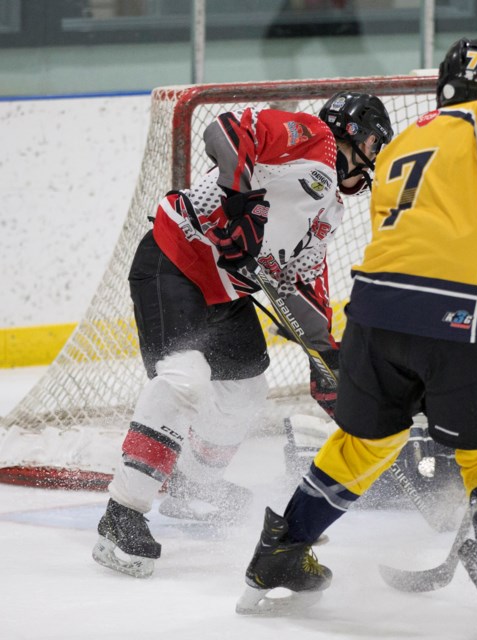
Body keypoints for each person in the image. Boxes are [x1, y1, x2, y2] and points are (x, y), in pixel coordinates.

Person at [237, 37, 477, 639]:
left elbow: (434, 239)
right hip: (455, 319)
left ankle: (279, 554)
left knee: (365, 443)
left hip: (373, 314)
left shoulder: (406, 142)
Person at [91, 91, 393, 578]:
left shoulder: (331, 210)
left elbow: (302, 286)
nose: (374, 160)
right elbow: (226, 130)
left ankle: (193, 488)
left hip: (225, 291)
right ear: (353, 131)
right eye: (376, 143)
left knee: (245, 390)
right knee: (183, 379)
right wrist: (240, 201)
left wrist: (329, 360)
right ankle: (121, 515)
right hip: (175, 260)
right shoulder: (313, 139)